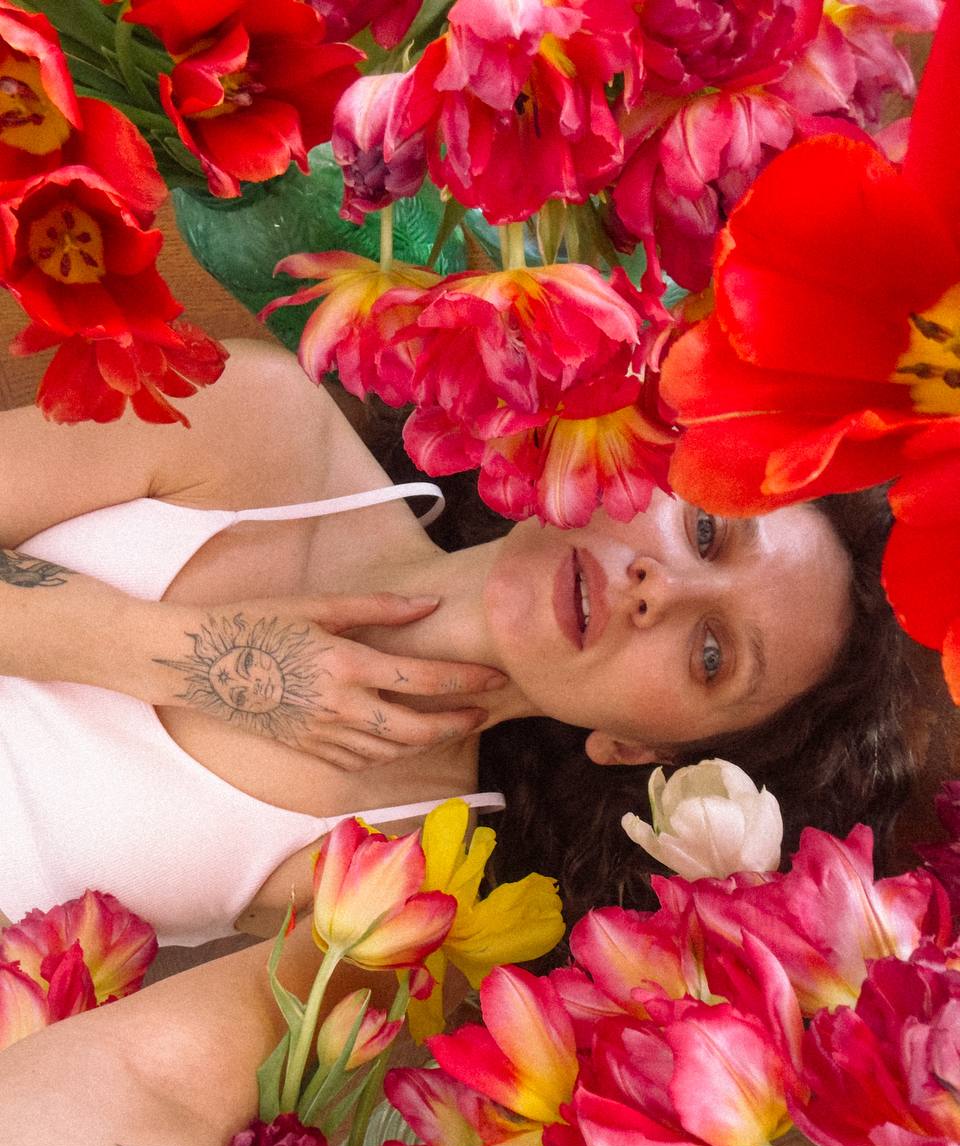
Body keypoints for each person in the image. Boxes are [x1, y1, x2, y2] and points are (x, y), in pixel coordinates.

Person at [0, 340, 913, 949]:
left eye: (712, 655)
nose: (660, 589)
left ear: (639, 750)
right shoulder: (264, 424)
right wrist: (192, 657)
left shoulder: (409, 884)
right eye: (706, 531)